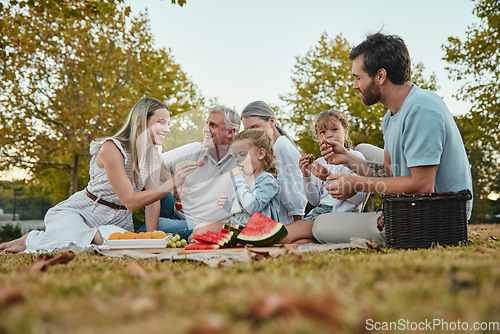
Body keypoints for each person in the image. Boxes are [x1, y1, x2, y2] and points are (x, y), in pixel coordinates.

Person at [315, 32, 473, 244]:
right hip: (414, 205)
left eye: (358, 77)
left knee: (321, 225)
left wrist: (357, 183)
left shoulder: (422, 110)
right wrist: (347, 159)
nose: (355, 85)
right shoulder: (390, 117)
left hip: (434, 218)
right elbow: (388, 171)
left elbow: (422, 186)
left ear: (380, 76)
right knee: (362, 149)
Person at [0, 98, 198, 253]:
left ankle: (61, 237)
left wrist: (149, 238)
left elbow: (153, 200)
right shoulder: (112, 149)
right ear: (141, 121)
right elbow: (130, 201)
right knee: (73, 245)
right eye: (161, 122)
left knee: (115, 245)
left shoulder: (152, 153)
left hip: (117, 221)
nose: (167, 128)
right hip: (83, 212)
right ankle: (31, 239)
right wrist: (172, 183)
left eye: (168, 123)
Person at [140, 105, 241, 239]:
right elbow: (153, 164)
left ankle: (138, 238)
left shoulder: (241, 161)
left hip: (198, 224)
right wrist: (173, 181)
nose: (206, 129)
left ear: (230, 132)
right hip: (176, 208)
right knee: (143, 183)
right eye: (206, 123)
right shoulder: (195, 149)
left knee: (159, 227)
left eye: (213, 125)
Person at [280, 109, 366, 244]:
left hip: (341, 217)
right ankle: (327, 240)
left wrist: (329, 177)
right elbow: (314, 201)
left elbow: (359, 198)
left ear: (346, 131)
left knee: (284, 235)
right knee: (297, 242)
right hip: (320, 212)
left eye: (334, 129)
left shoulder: (356, 158)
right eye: (323, 132)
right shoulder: (319, 163)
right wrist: (306, 176)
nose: (329, 135)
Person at [193, 129, 280, 235]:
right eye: (235, 156)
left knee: (200, 229)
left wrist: (238, 180)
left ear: (261, 154)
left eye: (242, 154)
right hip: (239, 227)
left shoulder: (267, 180)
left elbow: (252, 207)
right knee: (198, 230)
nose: (237, 159)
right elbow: (240, 211)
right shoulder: (245, 180)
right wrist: (228, 205)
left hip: (256, 231)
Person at [241, 100, 307, 225]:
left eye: (255, 127)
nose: (251, 135)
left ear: (271, 121)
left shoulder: (281, 146)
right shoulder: (266, 151)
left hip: (283, 224)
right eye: (247, 130)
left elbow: (295, 193)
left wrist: (297, 229)